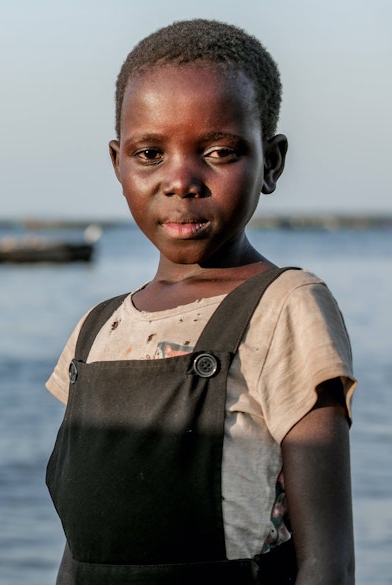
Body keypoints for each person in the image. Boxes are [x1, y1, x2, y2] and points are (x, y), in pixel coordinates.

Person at [44, 19, 356, 585]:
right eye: (149, 153)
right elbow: (83, 543)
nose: (181, 180)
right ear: (118, 163)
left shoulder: (285, 306)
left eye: (218, 151)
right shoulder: (97, 328)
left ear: (272, 162)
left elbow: (326, 558)